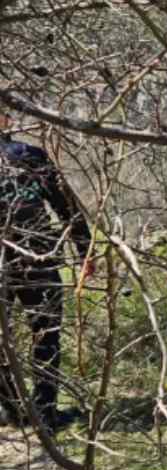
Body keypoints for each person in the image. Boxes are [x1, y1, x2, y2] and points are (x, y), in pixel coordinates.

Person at [0, 108, 92, 430]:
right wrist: (85, 250)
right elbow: (65, 205)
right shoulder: (28, 155)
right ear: (5, 119)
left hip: (32, 258)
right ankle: (44, 412)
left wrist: (84, 247)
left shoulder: (30, 156)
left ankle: (14, 409)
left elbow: (64, 202)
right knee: (46, 335)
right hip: (36, 258)